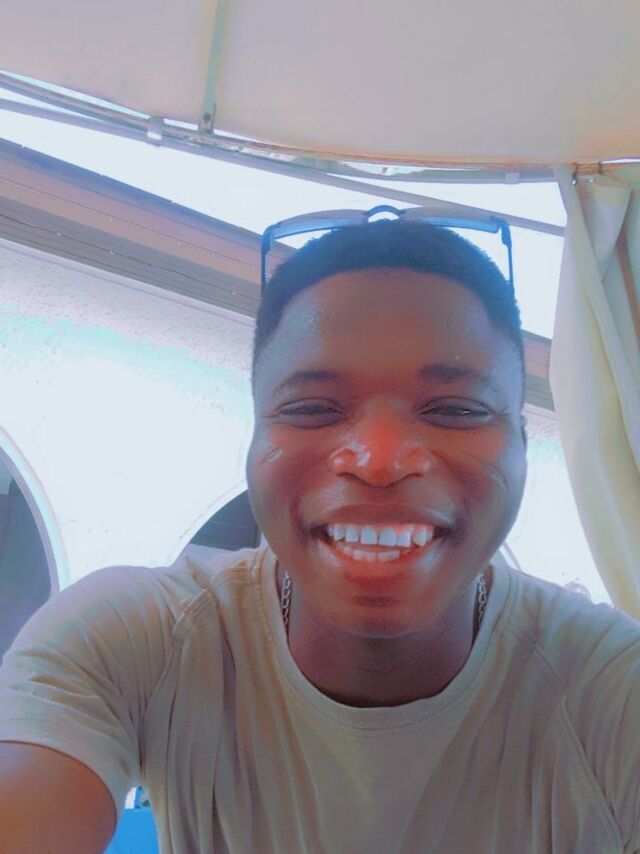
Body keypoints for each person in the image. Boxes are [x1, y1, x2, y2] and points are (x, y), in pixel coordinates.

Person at [0, 220, 639, 853]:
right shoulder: (138, 639)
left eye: (454, 410)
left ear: (521, 445)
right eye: (312, 409)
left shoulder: (611, 693)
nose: (380, 460)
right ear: (254, 438)